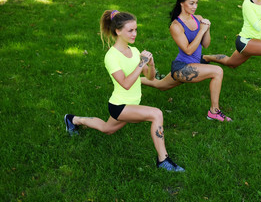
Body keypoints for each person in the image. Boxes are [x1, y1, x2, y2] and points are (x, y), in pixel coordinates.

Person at [63, 10, 184, 172]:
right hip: (119, 106)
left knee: (108, 129)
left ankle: (73, 119)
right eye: (130, 30)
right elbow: (126, 84)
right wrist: (141, 64)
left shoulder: (134, 51)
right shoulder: (111, 57)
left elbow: (149, 78)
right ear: (118, 31)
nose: (134, 34)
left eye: (135, 30)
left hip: (131, 104)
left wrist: (151, 65)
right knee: (156, 113)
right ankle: (163, 160)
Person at [141, 0, 232, 122]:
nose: (195, 6)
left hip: (194, 64)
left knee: (160, 85)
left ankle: (135, 81)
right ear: (181, 3)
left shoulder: (198, 18)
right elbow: (188, 50)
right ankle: (214, 112)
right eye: (191, 3)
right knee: (217, 71)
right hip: (181, 67)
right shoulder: (176, 26)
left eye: (196, 3)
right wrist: (201, 31)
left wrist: (207, 29)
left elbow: (206, 44)